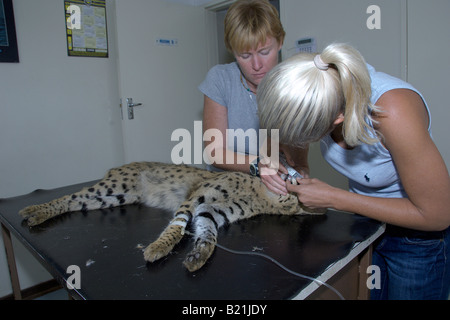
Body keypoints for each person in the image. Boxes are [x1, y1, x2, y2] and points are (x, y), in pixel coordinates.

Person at [256, 43, 450, 300]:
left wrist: (335, 198)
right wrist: (271, 159)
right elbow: (280, 131)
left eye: (307, 136)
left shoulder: (394, 112)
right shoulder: (318, 81)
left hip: (417, 241)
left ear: (337, 118)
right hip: (367, 227)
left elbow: (438, 215)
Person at [198, 0, 285, 173]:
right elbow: (215, 152)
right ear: (233, 51)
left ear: (280, 42)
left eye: (264, 52)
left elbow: (295, 153)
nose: (257, 65)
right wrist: (258, 165)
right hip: (227, 181)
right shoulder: (220, 79)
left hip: (276, 176)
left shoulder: (293, 84)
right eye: (245, 55)